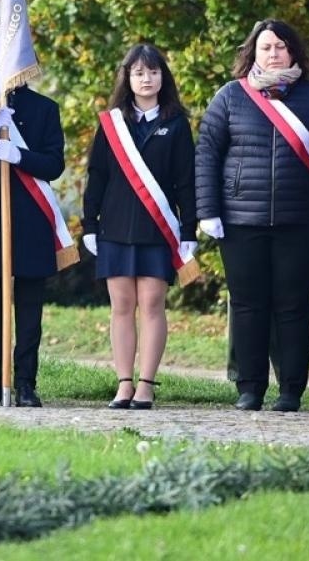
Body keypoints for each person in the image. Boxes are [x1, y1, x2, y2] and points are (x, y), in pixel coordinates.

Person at [195, 19, 309, 413]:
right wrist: (208, 210)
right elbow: (207, 154)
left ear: (293, 52)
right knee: (248, 305)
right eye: (266, 47)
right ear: (253, 53)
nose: (274, 53)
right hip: (241, 222)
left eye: (280, 46)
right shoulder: (230, 97)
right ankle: (249, 388)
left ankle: (291, 390)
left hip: (300, 222)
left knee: (293, 307)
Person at [79, 45, 195, 411]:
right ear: (127, 79)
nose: (147, 79)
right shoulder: (111, 124)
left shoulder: (176, 123)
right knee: (122, 305)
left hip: (157, 231)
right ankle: (123, 383)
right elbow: (96, 176)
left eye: (154, 71)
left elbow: (186, 182)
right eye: (139, 73)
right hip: (114, 228)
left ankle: (146, 384)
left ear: (164, 76)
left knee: (152, 303)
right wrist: (88, 224)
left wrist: (189, 232)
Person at [0, 84, 68, 408]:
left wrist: (19, 155)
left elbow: (54, 165)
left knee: (29, 310)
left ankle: (25, 382)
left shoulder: (44, 108)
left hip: (31, 220)